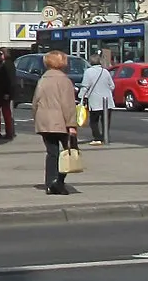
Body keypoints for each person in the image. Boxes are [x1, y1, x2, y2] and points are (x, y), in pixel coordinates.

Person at [33, 50, 80, 195]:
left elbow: (35, 101)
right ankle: (59, 181)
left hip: (45, 122)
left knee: (52, 152)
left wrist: (37, 117)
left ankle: (50, 183)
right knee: (67, 152)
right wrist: (72, 125)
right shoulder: (64, 80)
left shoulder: (43, 79)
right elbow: (68, 105)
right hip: (61, 122)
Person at [79, 51, 117, 146]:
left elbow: (85, 86)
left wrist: (81, 97)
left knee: (94, 121)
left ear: (90, 62)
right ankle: (105, 137)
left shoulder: (88, 72)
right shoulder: (105, 71)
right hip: (107, 101)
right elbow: (112, 86)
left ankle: (97, 138)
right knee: (105, 121)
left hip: (95, 101)